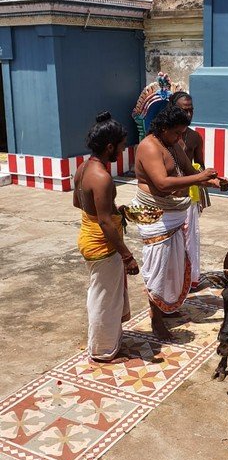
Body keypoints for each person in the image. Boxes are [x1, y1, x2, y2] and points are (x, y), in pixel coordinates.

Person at [134, 104, 222, 341]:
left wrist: (212, 182)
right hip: (155, 214)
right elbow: (162, 183)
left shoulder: (172, 144)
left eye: (183, 133)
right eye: (177, 133)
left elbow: (185, 169)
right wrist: (200, 177)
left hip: (173, 213)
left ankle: (165, 306)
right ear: (163, 128)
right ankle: (156, 318)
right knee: (158, 268)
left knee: (174, 264)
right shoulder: (149, 146)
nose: (181, 137)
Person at [73, 111, 139, 362]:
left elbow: (78, 202)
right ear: (109, 147)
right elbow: (103, 223)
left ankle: (108, 342)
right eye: (121, 149)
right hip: (101, 245)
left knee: (104, 294)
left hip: (88, 238)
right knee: (103, 298)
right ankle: (101, 351)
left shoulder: (83, 168)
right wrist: (128, 256)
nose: (121, 153)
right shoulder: (102, 177)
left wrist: (113, 212)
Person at [169, 91, 228, 288]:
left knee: (190, 240)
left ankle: (190, 280)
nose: (188, 115)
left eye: (191, 110)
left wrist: (217, 181)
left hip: (190, 196)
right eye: (183, 110)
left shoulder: (195, 137)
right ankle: (172, 282)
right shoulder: (162, 137)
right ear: (172, 110)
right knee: (171, 244)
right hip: (168, 198)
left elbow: (200, 168)